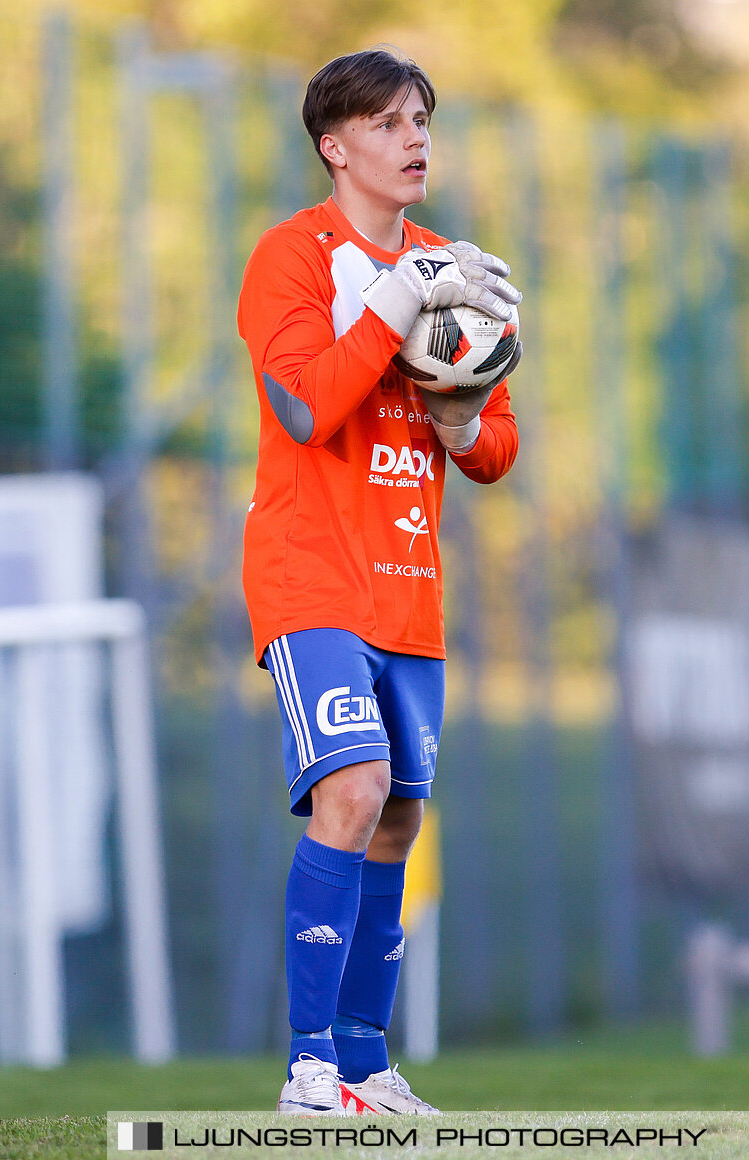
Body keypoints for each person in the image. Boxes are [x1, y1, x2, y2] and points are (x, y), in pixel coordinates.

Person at [236, 47, 522, 1117]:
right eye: (392, 123)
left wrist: (462, 416)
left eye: (423, 121)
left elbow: (494, 448)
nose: (416, 140)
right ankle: (310, 1063)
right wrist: (397, 296)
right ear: (336, 144)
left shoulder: (460, 264)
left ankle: (364, 1062)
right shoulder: (291, 258)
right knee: (349, 791)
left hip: (410, 586)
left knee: (398, 819)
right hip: (311, 576)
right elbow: (306, 406)